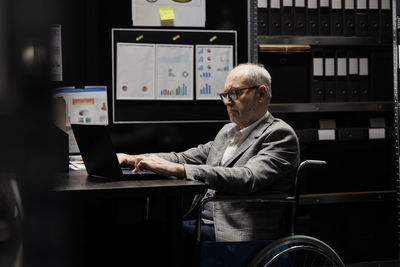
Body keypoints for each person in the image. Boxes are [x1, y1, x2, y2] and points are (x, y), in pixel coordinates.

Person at [117, 63, 300, 243]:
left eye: (235, 93)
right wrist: (131, 159)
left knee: (146, 234)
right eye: (225, 95)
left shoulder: (279, 134)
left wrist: (180, 169)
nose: (228, 101)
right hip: (203, 223)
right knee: (139, 230)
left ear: (261, 94)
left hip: (235, 232)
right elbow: (183, 157)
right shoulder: (229, 131)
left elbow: (248, 177)